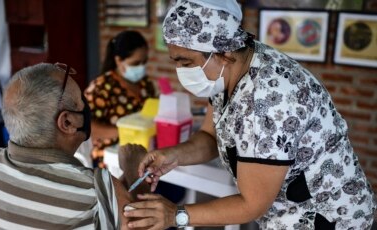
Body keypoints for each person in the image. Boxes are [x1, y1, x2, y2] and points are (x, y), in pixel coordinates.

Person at [122, 0, 377, 229]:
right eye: (176, 61)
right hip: (283, 211)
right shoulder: (231, 70)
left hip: (326, 217)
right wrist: (172, 155)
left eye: (186, 62)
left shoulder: (268, 101)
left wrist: (175, 214)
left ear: (224, 53)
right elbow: (210, 137)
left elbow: (251, 204)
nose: (180, 71)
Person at [0, 63, 150, 229]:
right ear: (67, 122)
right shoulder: (94, 189)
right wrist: (135, 171)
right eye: (81, 101)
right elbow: (142, 224)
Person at [84, 30, 156, 167]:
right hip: (109, 159)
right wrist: (127, 132)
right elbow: (86, 127)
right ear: (118, 60)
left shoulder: (145, 84)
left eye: (144, 62)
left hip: (143, 151)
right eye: (135, 63)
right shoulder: (101, 88)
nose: (141, 67)